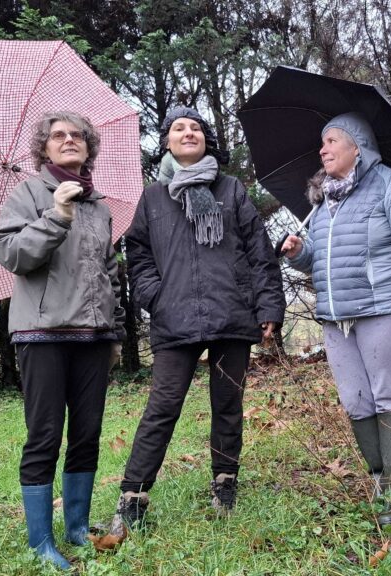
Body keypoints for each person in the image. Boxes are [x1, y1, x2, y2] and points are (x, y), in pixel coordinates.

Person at [110, 106, 285, 535]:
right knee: (162, 407)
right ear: (166, 142)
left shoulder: (230, 190)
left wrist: (267, 309)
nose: (189, 133)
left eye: (196, 128)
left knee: (228, 405)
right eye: (178, 128)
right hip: (175, 319)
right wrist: (156, 297)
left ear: (206, 139)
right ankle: (133, 496)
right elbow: (139, 254)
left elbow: (259, 254)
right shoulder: (153, 196)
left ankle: (225, 484)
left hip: (231, 313)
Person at [281, 112, 391, 526]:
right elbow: (319, 260)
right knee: (355, 401)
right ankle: (379, 477)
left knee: (387, 395)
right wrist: (300, 253)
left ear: (358, 146)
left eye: (333, 141)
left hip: (381, 306)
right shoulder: (324, 203)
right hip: (335, 317)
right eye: (323, 143)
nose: (324, 149)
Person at [0, 111, 125, 569]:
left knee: (87, 435)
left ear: (88, 148)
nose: (69, 141)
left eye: (77, 136)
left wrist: (114, 333)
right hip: (42, 334)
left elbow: (107, 273)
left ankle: (75, 528)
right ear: (44, 148)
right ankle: (41, 543)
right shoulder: (27, 193)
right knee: (45, 436)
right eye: (58, 136)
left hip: (92, 336)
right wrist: (57, 215)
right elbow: (11, 254)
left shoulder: (101, 206)